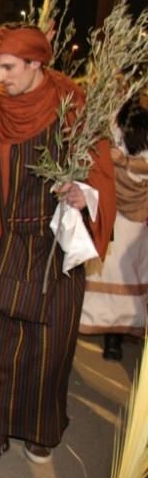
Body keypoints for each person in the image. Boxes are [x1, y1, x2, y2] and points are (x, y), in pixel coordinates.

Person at [0, 25, 116, 470]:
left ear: (35, 64)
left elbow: (100, 172)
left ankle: (40, 428)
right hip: (1, 239)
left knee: (49, 342)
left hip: (54, 244)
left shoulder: (74, 107)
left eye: (8, 67)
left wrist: (84, 193)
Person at [81, 96, 148, 360]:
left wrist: (125, 163)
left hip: (137, 209)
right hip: (110, 203)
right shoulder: (114, 119)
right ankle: (103, 327)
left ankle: (117, 334)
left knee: (128, 269)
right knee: (104, 265)